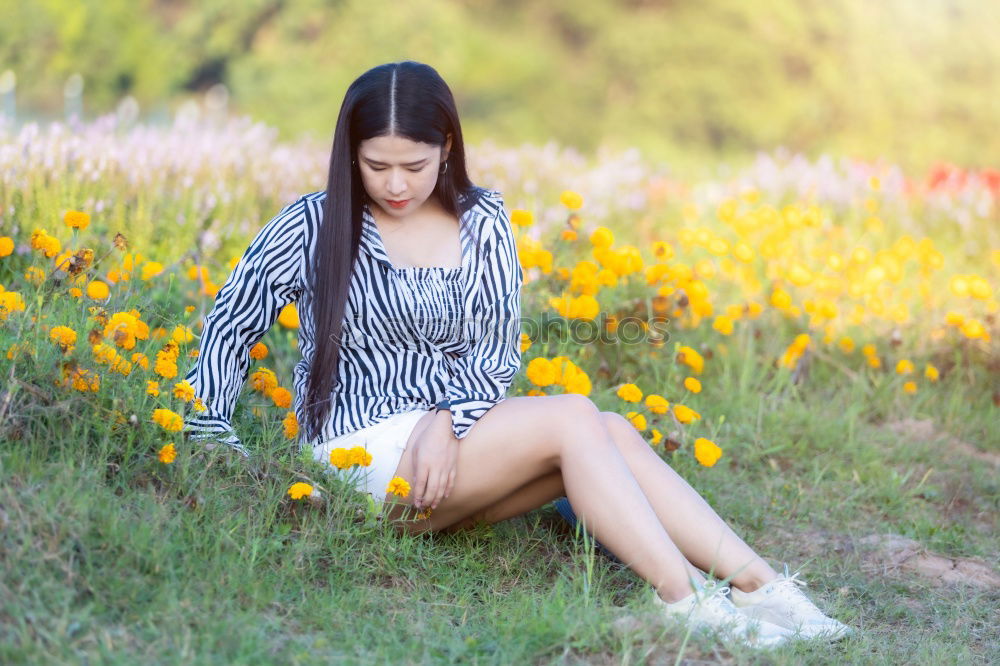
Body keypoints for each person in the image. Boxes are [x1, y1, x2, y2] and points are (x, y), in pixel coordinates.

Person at [182, 60, 853, 649]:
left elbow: (493, 350)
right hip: (357, 452)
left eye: (413, 165)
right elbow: (227, 326)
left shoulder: (481, 219)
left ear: (446, 149)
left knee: (607, 431)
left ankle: (761, 588)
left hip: (452, 450)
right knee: (573, 417)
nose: (395, 184)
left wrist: (447, 422)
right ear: (348, 153)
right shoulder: (312, 222)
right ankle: (683, 603)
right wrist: (215, 439)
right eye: (375, 164)